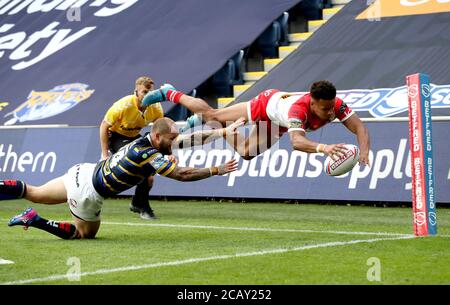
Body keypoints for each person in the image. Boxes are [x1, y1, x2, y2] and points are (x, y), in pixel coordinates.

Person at [2, 118, 241, 240]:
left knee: (33, 192)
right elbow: (182, 174)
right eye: (171, 138)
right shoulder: (147, 154)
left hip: (83, 171)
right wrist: (216, 170)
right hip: (88, 191)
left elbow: (190, 139)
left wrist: (222, 132)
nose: (175, 142)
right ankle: (35, 219)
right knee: (84, 234)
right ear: (158, 136)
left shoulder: (147, 140)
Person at [142, 81, 371, 165]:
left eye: (331, 107)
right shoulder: (298, 111)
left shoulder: (336, 105)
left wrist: (364, 151)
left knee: (246, 153)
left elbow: (359, 126)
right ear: (312, 103)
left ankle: (209, 124)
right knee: (213, 113)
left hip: (277, 122)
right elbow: (297, 142)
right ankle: (169, 93)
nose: (330, 112)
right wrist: (324, 148)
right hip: (266, 103)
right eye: (324, 108)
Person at [99, 76, 164, 220]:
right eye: (144, 92)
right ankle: (142, 206)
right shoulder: (123, 105)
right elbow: (104, 126)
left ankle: (137, 203)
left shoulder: (156, 107)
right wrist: (104, 154)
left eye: (151, 93)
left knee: (150, 178)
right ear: (136, 92)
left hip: (135, 137)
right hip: (116, 137)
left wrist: (166, 152)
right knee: (140, 168)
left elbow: (160, 131)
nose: (148, 96)